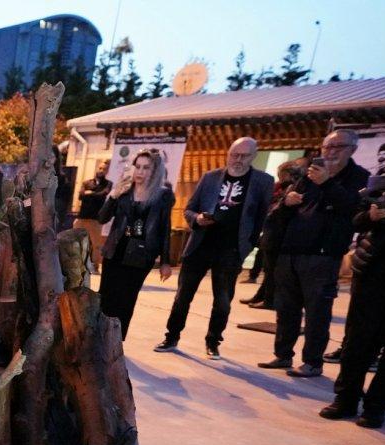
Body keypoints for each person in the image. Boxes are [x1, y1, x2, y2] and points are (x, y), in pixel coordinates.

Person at [257, 130, 370, 378]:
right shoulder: (308, 175)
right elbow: (278, 211)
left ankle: (312, 362)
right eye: (326, 147)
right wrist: (287, 201)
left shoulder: (359, 178)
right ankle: (283, 354)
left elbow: (354, 211)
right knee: (286, 308)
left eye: (337, 147)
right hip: (290, 251)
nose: (329, 152)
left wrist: (327, 183)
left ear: (352, 149)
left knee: (317, 311)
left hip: (323, 255)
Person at [156, 137, 273, 358]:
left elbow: (260, 217)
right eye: (234, 154)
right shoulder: (210, 178)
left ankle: (213, 341)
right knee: (183, 296)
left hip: (231, 250)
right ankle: (171, 337)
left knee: (222, 301)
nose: (238, 160)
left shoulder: (263, 181)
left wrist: (247, 247)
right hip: (200, 246)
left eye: (244, 156)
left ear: (254, 156)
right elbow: (189, 209)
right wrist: (197, 218)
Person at [319, 162, 385, 429]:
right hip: (372, 274)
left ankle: (376, 406)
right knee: (357, 342)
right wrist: (373, 217)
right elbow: (357, 218)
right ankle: (346, 399)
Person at [96, 150, 175, 338]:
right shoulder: (124, 191)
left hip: (141, 254)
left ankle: (116, 340)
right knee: (106, 296)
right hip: (116, 249)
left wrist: (165, 261)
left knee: (126, 298)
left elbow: (165, 228)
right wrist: (113, 196)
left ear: (155, 170)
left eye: (146, 168)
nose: (140, 172)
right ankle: (100, 337)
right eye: (137, 166)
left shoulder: (163, 196)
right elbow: (102, 218)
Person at [243, 159, 307, 309]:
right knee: (268, 268)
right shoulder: (279, 188)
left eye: (282, 174)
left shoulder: (294, 188)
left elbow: (279, 210)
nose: (280, 177)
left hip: (280, 235)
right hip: (271, 231)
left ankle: (270, 300)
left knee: (273, 270)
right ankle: (262, 295)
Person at [74, 159, 112, 271]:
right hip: (82, 216)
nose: (101, 170)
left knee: (95, 244)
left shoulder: (108, 184)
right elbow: (80, 196)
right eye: (100, 168)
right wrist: (89, 194)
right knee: (77, 242)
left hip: (95, 219)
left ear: (107, 171)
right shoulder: (87, 182)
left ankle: (95, 266)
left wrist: (89, 193)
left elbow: (102, 194)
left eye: (104, 169)